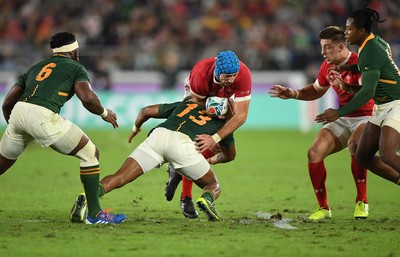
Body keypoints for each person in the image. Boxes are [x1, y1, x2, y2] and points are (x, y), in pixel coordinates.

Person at [0, 32, 126, 225]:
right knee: (90, 153)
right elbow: (87, 98)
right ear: (74, 51)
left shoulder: (36, 67)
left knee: (1, 163)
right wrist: (104, 113)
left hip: (18, 112)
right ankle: (95, 214)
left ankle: (94, 213)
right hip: (43, 115)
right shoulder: (76, 67)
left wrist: (17, 125)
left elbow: (7, 102)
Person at [269, 26, 374, 220]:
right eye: (322, 47)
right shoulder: (327, 66)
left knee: (355, 145)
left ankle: (362, 200)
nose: (322, 52)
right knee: (314, 152)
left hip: (368, 116)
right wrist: (294, 94)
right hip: (342, 117)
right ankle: (323, 207)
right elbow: (317, 90)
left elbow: (367, 94)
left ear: (341, 47)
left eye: (326, 47)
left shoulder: (361, 62)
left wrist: (341, 104)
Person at [72, 98, 236, 221]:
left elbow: (145, 111)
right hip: (183, 146)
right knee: (212, 185)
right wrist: (213, 160)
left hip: (158, 136)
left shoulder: (188, 105)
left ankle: (87, 196)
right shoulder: (225, 125)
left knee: (120, 176)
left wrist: (136, 128)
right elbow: (230, 155)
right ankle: (206, 200)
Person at [315, 8, 400, 206]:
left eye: (349, 29)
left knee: (387, 154)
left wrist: (339, 112)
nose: (345, 33)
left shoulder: (371, 49)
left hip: (396, 103)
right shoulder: (370, 43)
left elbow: (368, 91)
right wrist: (349, 68)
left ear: (361, 31)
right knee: (362, 155)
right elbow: (373, 68)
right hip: (383, 106)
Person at [164, 50, 252, 218]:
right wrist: (215, 116)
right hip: (196, 97)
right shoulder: (201, 74)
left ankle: (177, 170)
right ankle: (186, 197)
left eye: (234, 75)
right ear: (218, 72)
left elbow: (241, 115)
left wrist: (216, 137)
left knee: (225, 150)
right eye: (227, 76)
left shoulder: (243, 73)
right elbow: (196, 110)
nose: (232, 80)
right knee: (195, 142)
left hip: (222, 100)